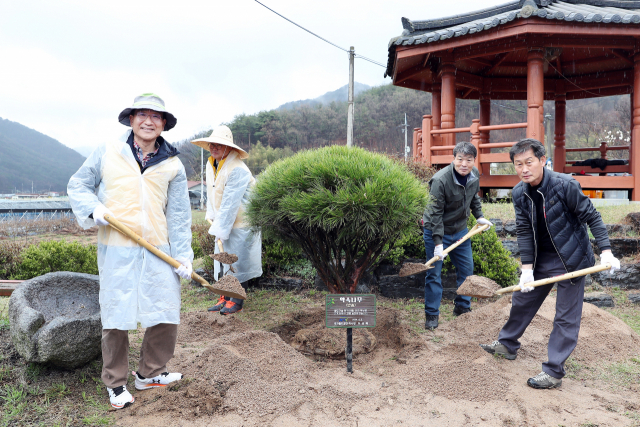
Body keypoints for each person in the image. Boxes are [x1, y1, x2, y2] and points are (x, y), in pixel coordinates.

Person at [68, 93, 192, 409]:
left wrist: (184, 256)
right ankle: (115, 382)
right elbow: (78, 185)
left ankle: (150, 373)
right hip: (117, 247)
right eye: (142, 114)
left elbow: (178, 216)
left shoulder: (173, 165)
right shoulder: (108, 151)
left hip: (158, 249)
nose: (148, 121)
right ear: (132, 119)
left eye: (156, 116)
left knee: (165, 309)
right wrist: (92, 207)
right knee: (116, 313)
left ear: (164, 124)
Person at [480, 138, 621, 389]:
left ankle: (554, 371)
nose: (524, 168)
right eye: (518, 164)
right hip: (542, 258)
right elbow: (524, 231)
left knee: (565, 316)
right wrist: (526, 270)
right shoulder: (519, 193)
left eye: (529, 162)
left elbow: (593, 217)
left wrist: (607, 252)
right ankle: (507, 345)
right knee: (522, 300)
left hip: (572, 259)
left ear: (542, 160)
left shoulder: (565, 185)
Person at [422, 141, 493, 330]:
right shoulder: (440, 180)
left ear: (473, 161)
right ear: (453, 159)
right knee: (434, 273)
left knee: (467, 271)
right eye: (460, 159)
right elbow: (435, 213)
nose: (464, 164)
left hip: (460, 232)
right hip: (437, 232)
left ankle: (462, 307)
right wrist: (438, 243)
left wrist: (480, 217)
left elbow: (473, 198)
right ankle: (432, 315)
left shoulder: (474, 175)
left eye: (468, 160)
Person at [191, 125, 262, 315]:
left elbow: (231, 203)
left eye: (219, 145)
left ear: (229, 148)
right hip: (222, 221)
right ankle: (224, 297)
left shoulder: (238, 169)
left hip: (241, 223)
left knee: (237, 262)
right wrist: (212, 217)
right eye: (212, 145)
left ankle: (236, 300)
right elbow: (214, 193)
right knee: (222, 261)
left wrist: (220, 228)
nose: (214, 148)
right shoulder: (212, 163)